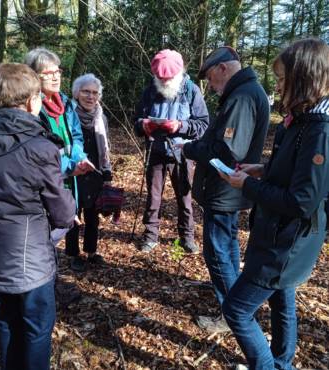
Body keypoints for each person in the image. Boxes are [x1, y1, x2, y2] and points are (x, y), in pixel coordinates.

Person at [220, 38, 329, 370]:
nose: (277, 86)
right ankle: (282, 361)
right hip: (278, 235)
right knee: (283, 299)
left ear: (303, 78)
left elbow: (302, 200)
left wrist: (249, 186)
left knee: (236, 310)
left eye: (282, 79)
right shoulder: (300, 120)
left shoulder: (320, 130)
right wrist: (262, 170)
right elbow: (296, 172)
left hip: (287, 243)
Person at [0, 63, 76, 370]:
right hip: (26, 259)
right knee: (37, 326)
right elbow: (62, 212)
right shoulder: (39, 146)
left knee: (6, 317)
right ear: (29, 101)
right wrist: (70, 209)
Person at [181, 46, 270, 331]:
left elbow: (227, 149)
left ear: (223, 69)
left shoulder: (242, 97)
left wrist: (190, 148)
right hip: (227, 188)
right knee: (228, 247)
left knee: (218, 251)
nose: (210, 86)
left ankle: (232, 313)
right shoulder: (243, 93)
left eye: (210, 79)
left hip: (224, 189)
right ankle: (235, 304)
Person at [134, 49, 209, 253]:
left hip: (183, 152)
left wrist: (180, 126)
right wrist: (144, 125)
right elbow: (136, 121)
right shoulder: (150, 90)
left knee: (184, 198)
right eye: (160, 77)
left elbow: (203, 124)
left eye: (168, 78)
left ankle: (187, 237)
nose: (164, 81)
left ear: (178, 73)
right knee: (154, 197)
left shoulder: (191, 90)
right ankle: (150, 236)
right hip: (156, 151)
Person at [25, 48, 94, 261]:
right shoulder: (31, 108)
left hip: (67, 178)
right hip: (47, 181)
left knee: (57, 234)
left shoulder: (65, 103)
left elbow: (76, 137)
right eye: (48, 73)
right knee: (42, 237)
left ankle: (50, 281)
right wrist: (69, 167)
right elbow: (39, 154)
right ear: (34, 76)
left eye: (58, 71)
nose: (55, 77)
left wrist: (79, 158)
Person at [65, 73, 113, 271]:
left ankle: (92, 251)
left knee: (93, 215)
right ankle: (73, 254)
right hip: (74, 172)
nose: (90, 96)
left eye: (94, 92)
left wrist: (107, 173)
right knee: (72, 214)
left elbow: (106, 147)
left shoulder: (101, 117)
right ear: (77, 93)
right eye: (86, 91)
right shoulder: (68, 116)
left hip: (95, 173)